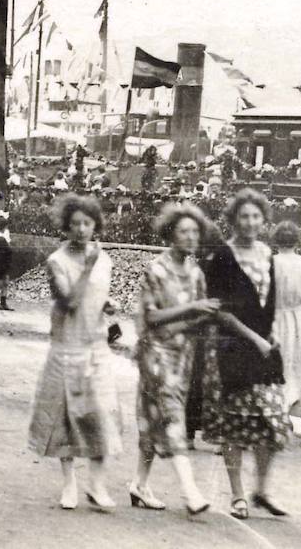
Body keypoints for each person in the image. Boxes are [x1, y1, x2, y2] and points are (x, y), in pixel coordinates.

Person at [200, 188, 291, 521]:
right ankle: (237, 494)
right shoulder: (222, 257)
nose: (251, 223)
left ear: (263, 219)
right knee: (235, 424)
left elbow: (272, 301)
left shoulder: (268, 253)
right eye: (244, 217)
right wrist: (256, 339)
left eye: (256, 216)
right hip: (233, 347)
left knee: (274, 421)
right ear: (234, 220)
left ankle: (262, 490)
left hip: (265, 346)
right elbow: (220, 312)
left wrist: (274, 335)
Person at [27, 194, 123, 511]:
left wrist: (107, 305)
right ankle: (69, 484)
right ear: (66, 227)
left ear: (96, 225)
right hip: (67, 347)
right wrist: (87, 268)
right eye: (75, 224)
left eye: (87, 223)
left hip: (95, 347)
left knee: (101, 416)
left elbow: (97, 297)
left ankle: (96, 485)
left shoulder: (104, 259)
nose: (81, 230)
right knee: (65, 418)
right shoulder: (57, 261)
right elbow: (68, 302)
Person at [129, 203, 218, 515]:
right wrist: (192, 310)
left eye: (195, 231)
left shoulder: (195, 273)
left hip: (183, 356)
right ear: (170, 234)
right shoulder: (156, 270)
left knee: (154, 420)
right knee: (172, 416)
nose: (191, 237)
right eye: (184, 231)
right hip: (156, 354)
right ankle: (191, 491)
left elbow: (198, 318)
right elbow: (151, 316)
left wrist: (204, 316)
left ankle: (139, 484)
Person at [270, 220, 301, 416]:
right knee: (297, 364)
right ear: (297, 241)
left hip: (277, 315)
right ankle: (289, 406)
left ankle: (278, 406)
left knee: (280, 361)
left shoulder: (271, 262)